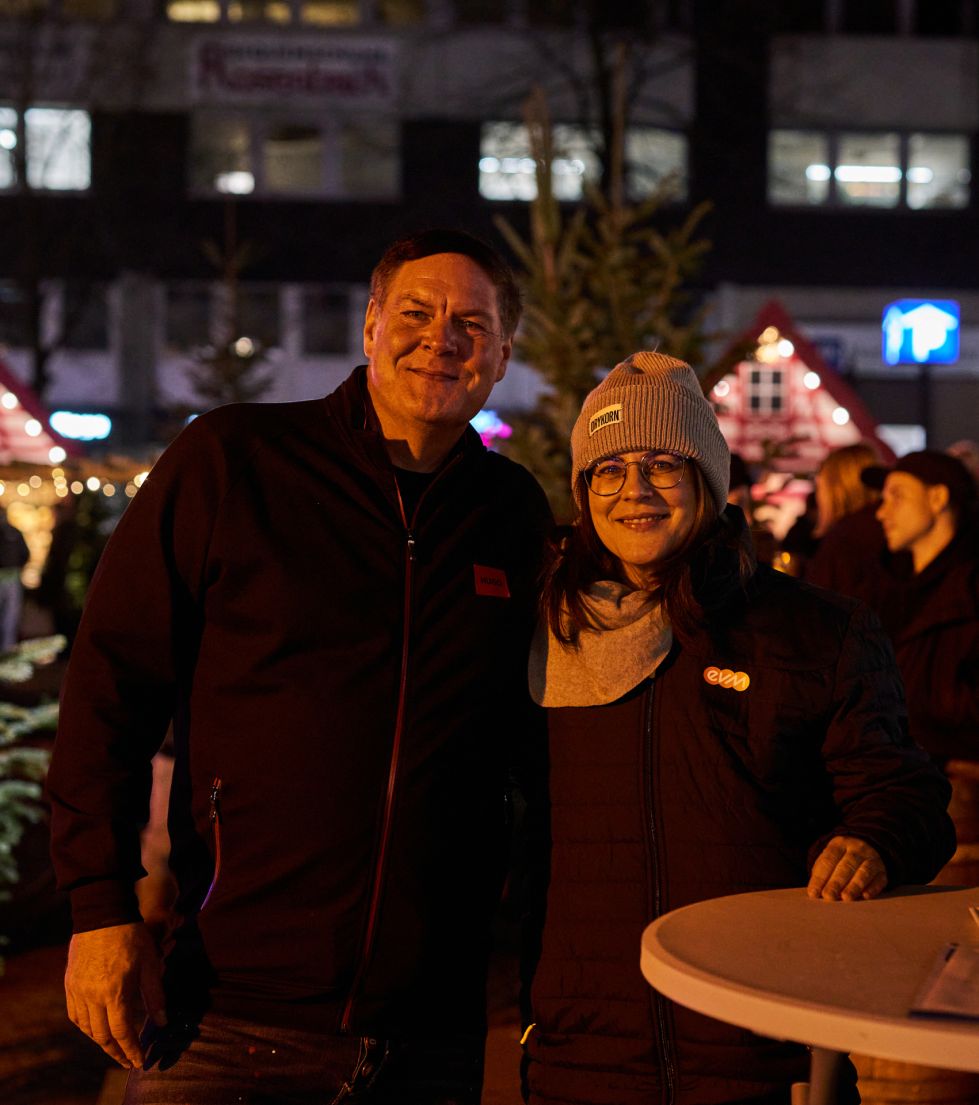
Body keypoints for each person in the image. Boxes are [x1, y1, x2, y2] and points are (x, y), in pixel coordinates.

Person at [46, 228, 552, 1105]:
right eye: (417, 312)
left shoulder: (508, 514)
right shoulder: (236, 461)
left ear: (502, 355)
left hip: (428, 1031)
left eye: (472, 323)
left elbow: (538, 746)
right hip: (228, 1012)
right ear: (368, 326)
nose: (442, 338)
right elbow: (110, 688)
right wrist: (100, 907)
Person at [523, 352, 955, 1105]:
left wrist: (874, 841)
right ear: (583, 489)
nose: (635, 491)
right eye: (609, 468)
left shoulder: (813, 631)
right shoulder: (543, 634)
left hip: (760, 1053)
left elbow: (908, 796)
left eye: (662, 463)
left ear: (707, 479)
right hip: (582, 1058)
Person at [860, 450, 979, 768]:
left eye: (897, 496)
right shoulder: (890, 587)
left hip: (956, 772)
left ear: (938, 498)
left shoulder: (968, 592)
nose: (881, 513)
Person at [805, 442, 885, 597]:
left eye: (820, 487)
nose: (818, 496)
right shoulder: (887, 530)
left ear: (835, 488)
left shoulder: (843, 541)